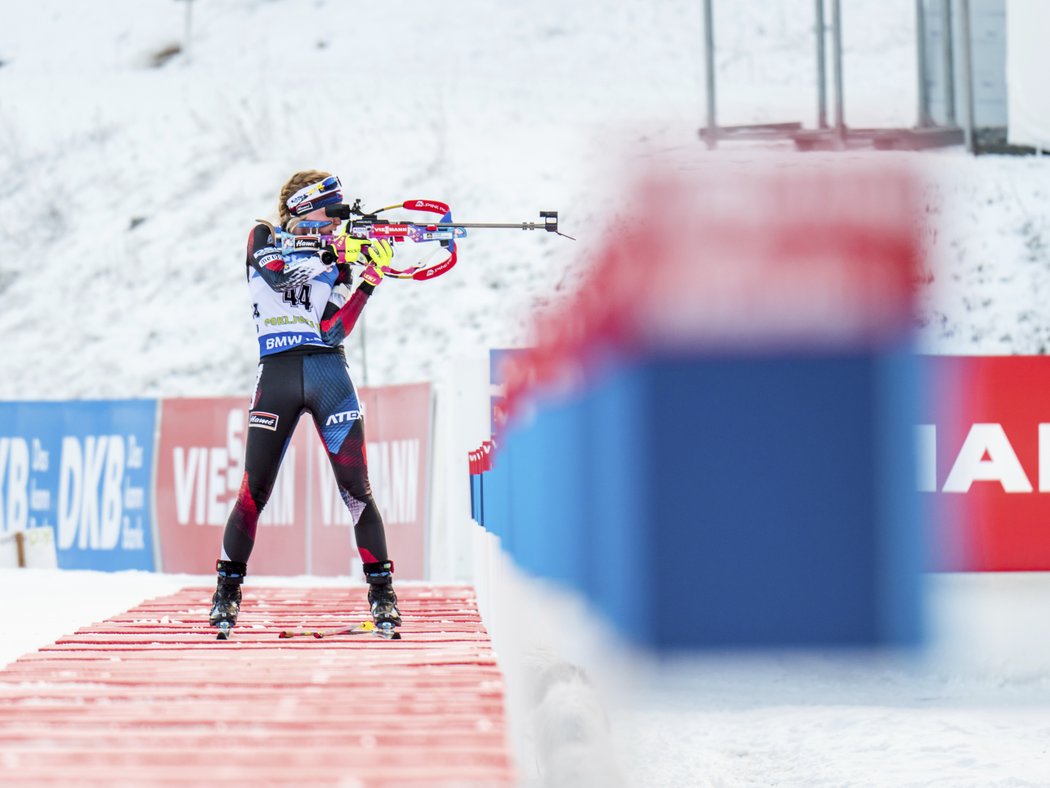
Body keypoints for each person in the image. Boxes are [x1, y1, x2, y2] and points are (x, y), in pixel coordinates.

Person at [208, 169, 401, 632]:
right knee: (253, 493)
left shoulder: (339, 260)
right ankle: (226, 593)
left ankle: (383, 596)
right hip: (276, 372)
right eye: (330, 213)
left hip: (327, 371)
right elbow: (275, 275)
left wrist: (369, 276)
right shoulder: (264, 237)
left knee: (358, 493)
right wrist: (330, 251)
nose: (336, 223)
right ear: (302, 209)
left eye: (339, 216)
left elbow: (333, 328)